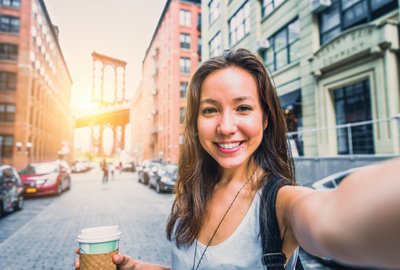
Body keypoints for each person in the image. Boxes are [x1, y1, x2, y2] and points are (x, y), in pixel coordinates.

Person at [75, 49, 400, 269]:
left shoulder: (282, 203)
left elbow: (338, 215)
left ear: (266, 118)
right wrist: (138, 267)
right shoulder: (192, 191)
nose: (225, 127)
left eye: (243, 108)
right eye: (210, 109)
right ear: (196, 121)